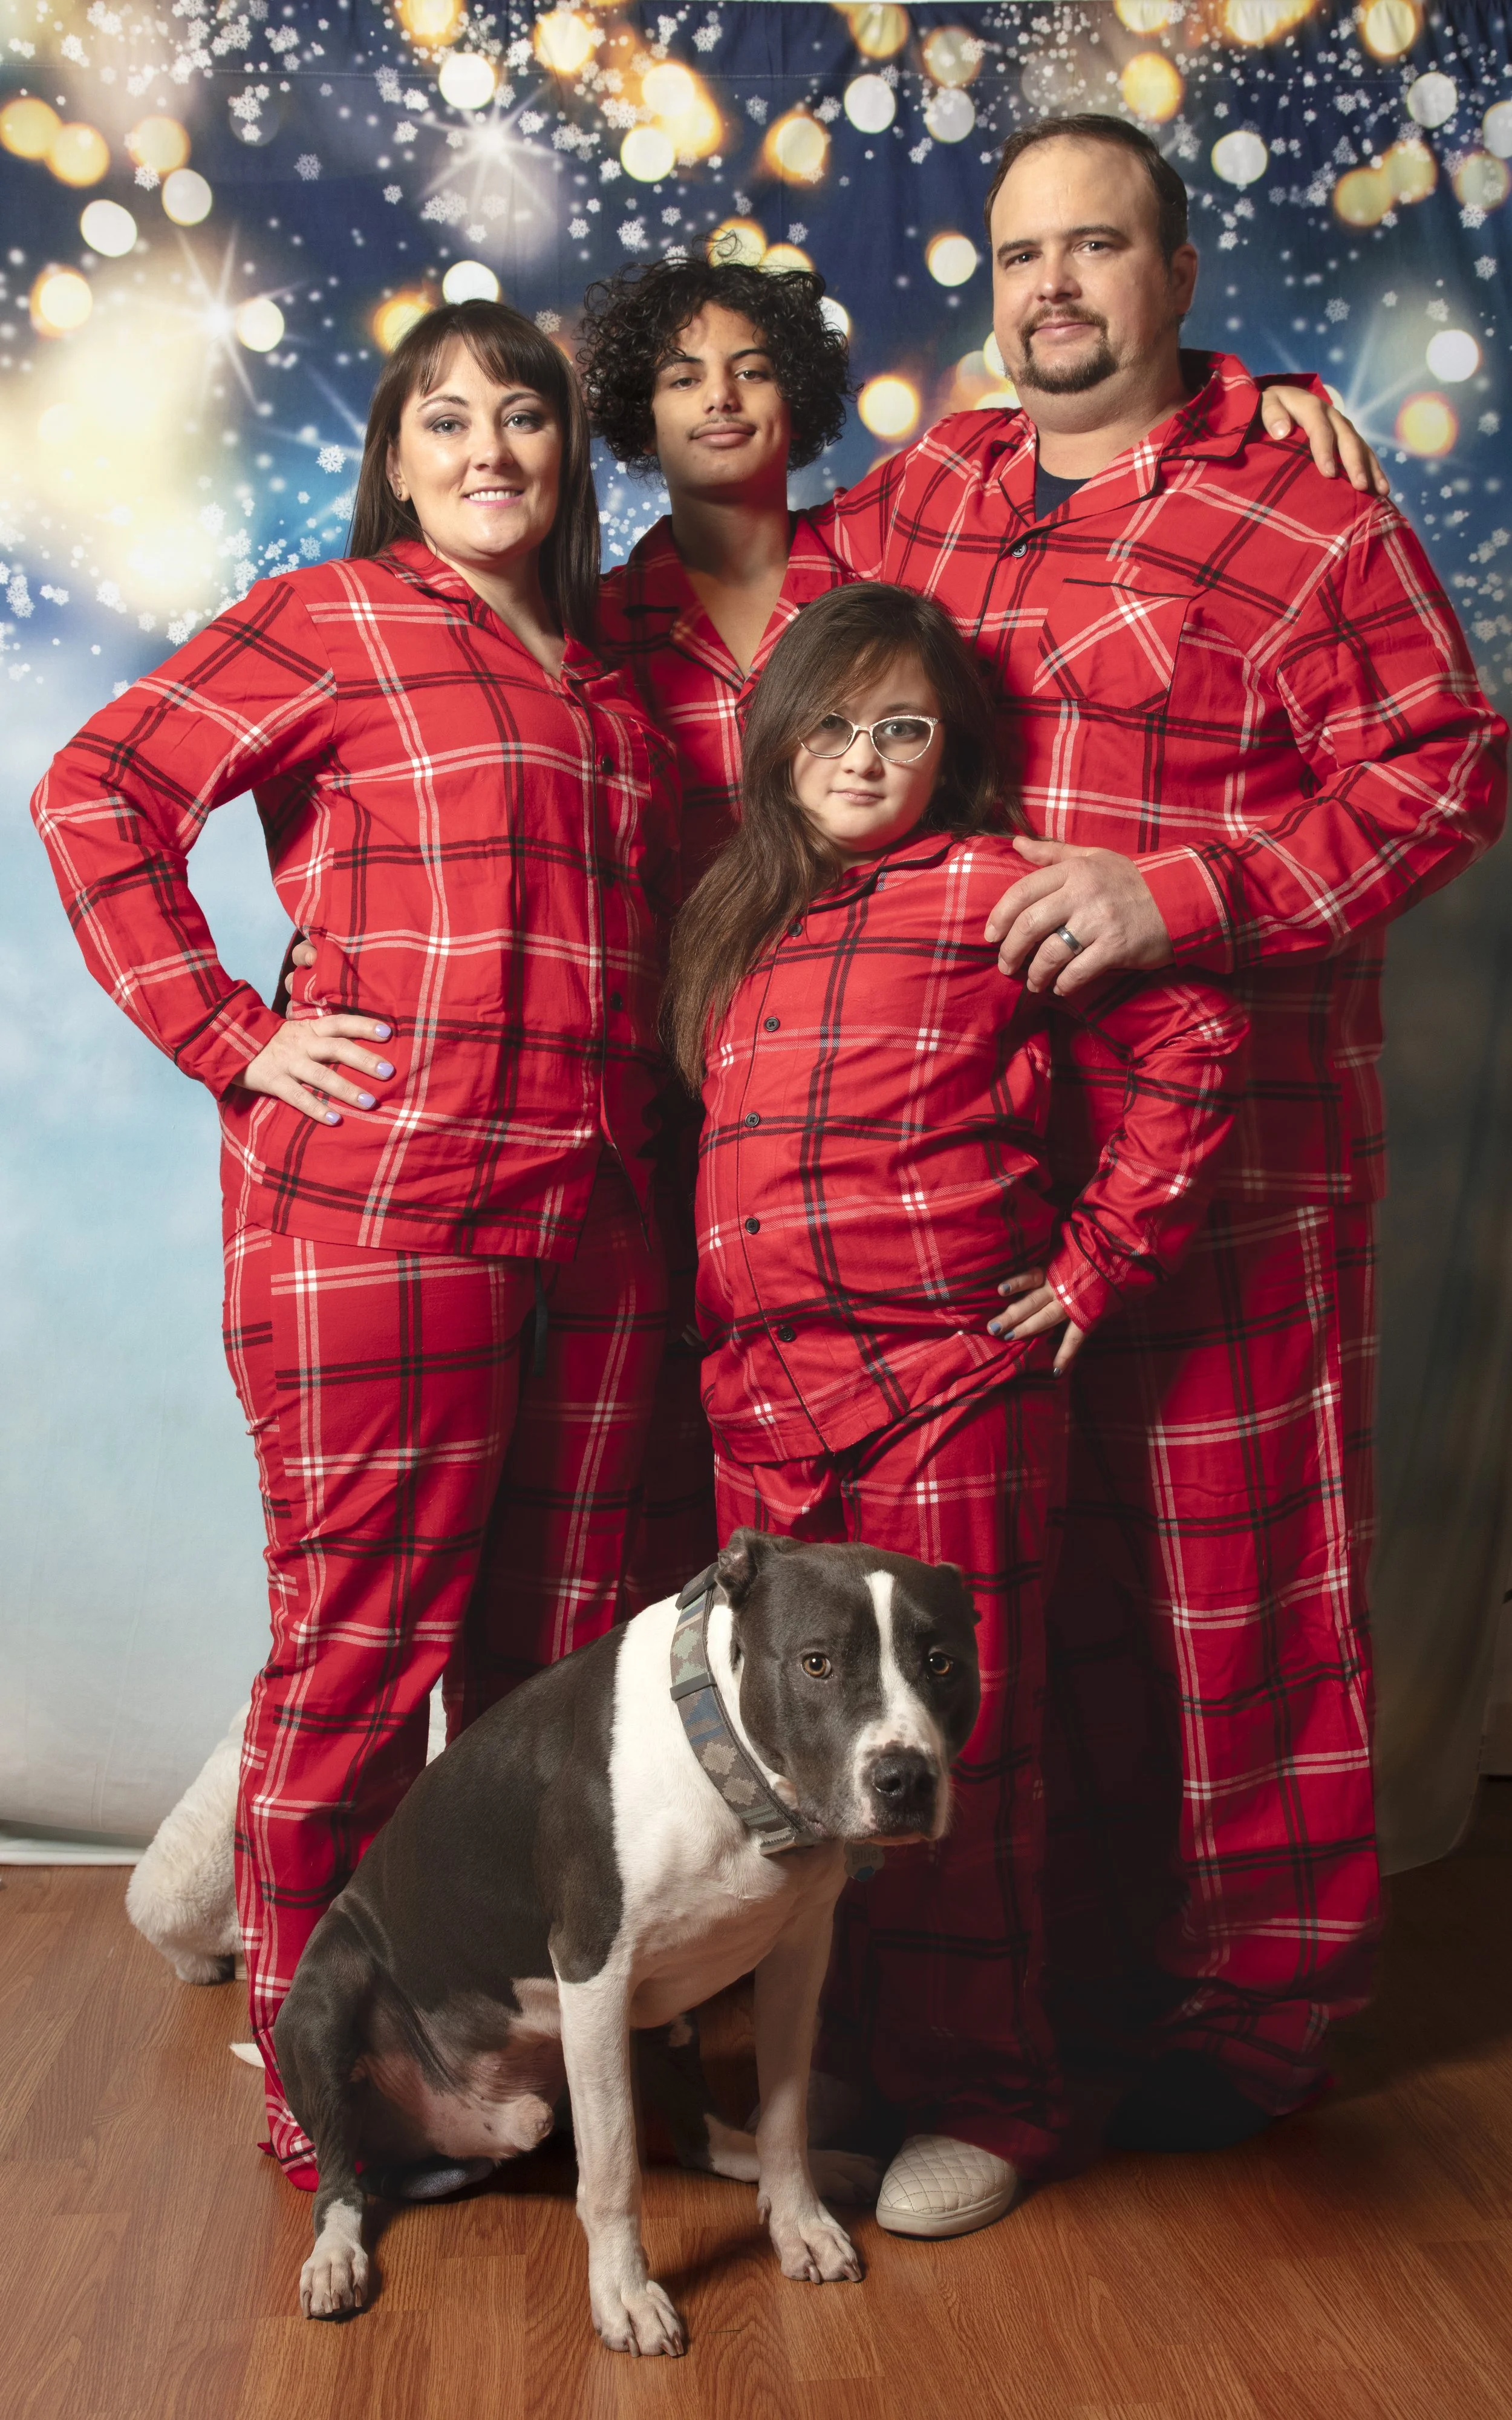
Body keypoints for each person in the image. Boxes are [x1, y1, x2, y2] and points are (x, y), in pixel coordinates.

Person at [815, 114, 1508, 2165]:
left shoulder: (1305, 519)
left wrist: (1174, 894)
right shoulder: (926, 493)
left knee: (1241, 1612)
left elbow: (1444, 783)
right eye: (1023, 254)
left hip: (1241, 1175)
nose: (1051, 289)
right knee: (1016, 1606)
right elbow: (738, 600)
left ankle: (1252, 2040)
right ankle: (1028, 2011)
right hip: (970, 1175)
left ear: (1181, 276)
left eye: (1097, 248)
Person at [30, 299, 677, 2190]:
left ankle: (494, 2048)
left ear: (568, 457)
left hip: (595, 1222)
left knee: (555, 1668)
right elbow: (101, 789)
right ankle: (321, 2077)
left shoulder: (610, 686)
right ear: (395, 456)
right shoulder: (335, 619)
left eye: (527, 421)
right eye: (448, 421)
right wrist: (237, 1037)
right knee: (358, 1646)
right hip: (388, 1214)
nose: (490, 451)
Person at [577, 250, 1372, 1611]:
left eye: (753, 369)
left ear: (803, 395)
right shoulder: (598, 630)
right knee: (700, 1553)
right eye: (677, 376)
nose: (717, 401)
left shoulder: (895, 536)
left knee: (956, 1599)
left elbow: (1078, 426)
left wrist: (1257, 398)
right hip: (699, 1110)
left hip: (926, 1113)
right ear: (631, 413)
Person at [664, 578, 1248, 2235]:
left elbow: (1192, 1038)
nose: (862, 757)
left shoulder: (993, 888)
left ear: (953, 753)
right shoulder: (738, 919)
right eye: (832, 724)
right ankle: (847, 2058)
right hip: (762, 1407)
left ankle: (994, 2095)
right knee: (795, 1760)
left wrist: (1090, 1268)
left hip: (940, 1391)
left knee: (950, 1761)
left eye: (902, 728)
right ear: (775, 744)